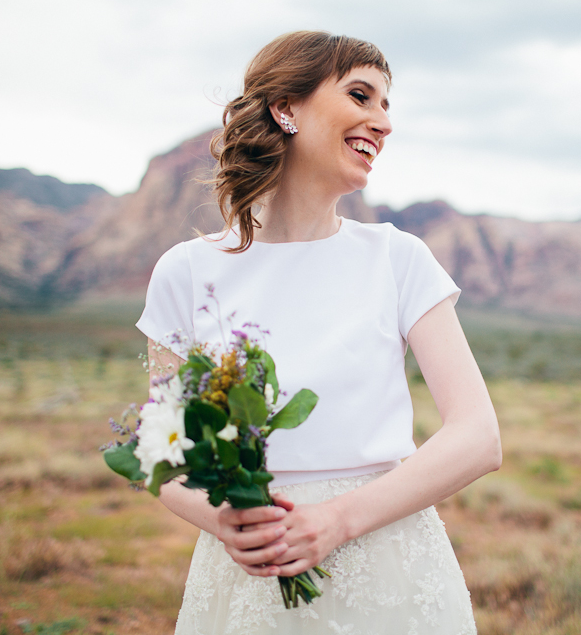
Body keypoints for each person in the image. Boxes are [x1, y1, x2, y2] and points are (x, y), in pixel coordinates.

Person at [135, 31, 501, 635]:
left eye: (387, 106)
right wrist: (223, 519)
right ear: (286, 110)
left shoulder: (398, 258)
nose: (382, 124)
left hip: (389, 574)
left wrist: (337, 521)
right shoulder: (185, 272)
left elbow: (479, 437)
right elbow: (162, 451)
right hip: (249, 579)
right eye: (361, 96)